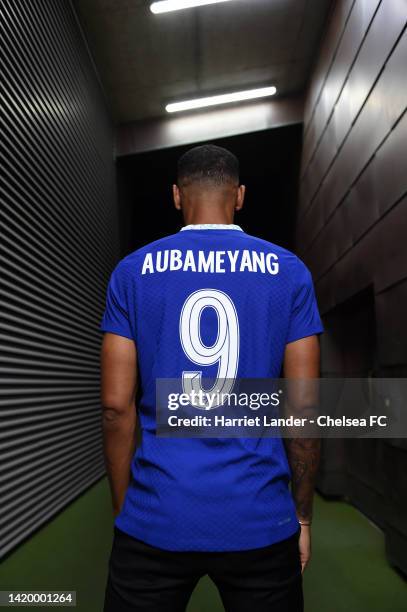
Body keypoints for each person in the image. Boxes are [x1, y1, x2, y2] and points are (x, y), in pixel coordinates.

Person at [100, 144, 323, 612]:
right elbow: (303, 409)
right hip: (260, 517)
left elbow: (116, 407)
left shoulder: (131, 273)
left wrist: (127, 512)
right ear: (239, 196)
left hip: (155, 514)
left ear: (176, 197)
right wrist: (301, 516)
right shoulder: (289, 272)